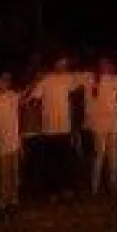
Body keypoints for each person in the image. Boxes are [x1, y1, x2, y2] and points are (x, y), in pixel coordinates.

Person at [25, 53, 85, 199]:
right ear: (55, 65)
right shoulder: (46, 80)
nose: (62, 67)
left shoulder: (69, 78)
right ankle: (52, 191)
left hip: (64, 127)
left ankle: (65, 188)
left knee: (65, 159)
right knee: (51, 161)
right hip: (49, 128)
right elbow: (34, 97)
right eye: (60, 64)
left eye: (65, 65)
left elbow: (81, 83)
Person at [83, 58, 117, 196]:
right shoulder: (91, 79)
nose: (106, 67)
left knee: (113, 155)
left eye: (108, 64)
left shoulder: (115, 79)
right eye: (102, 64)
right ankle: (95, 186)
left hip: (113, 123)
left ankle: (113, 184)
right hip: (99, 124)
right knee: (99, 154)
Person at [0, 72, 22, 211]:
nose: (5, 82)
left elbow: (26, 95)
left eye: (8, 80)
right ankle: (2, 203)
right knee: (3, 176)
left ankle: (13, 200)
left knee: (14, 173)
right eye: (3, 80)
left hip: (14, 142)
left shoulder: (13, 96)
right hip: (1, 144)